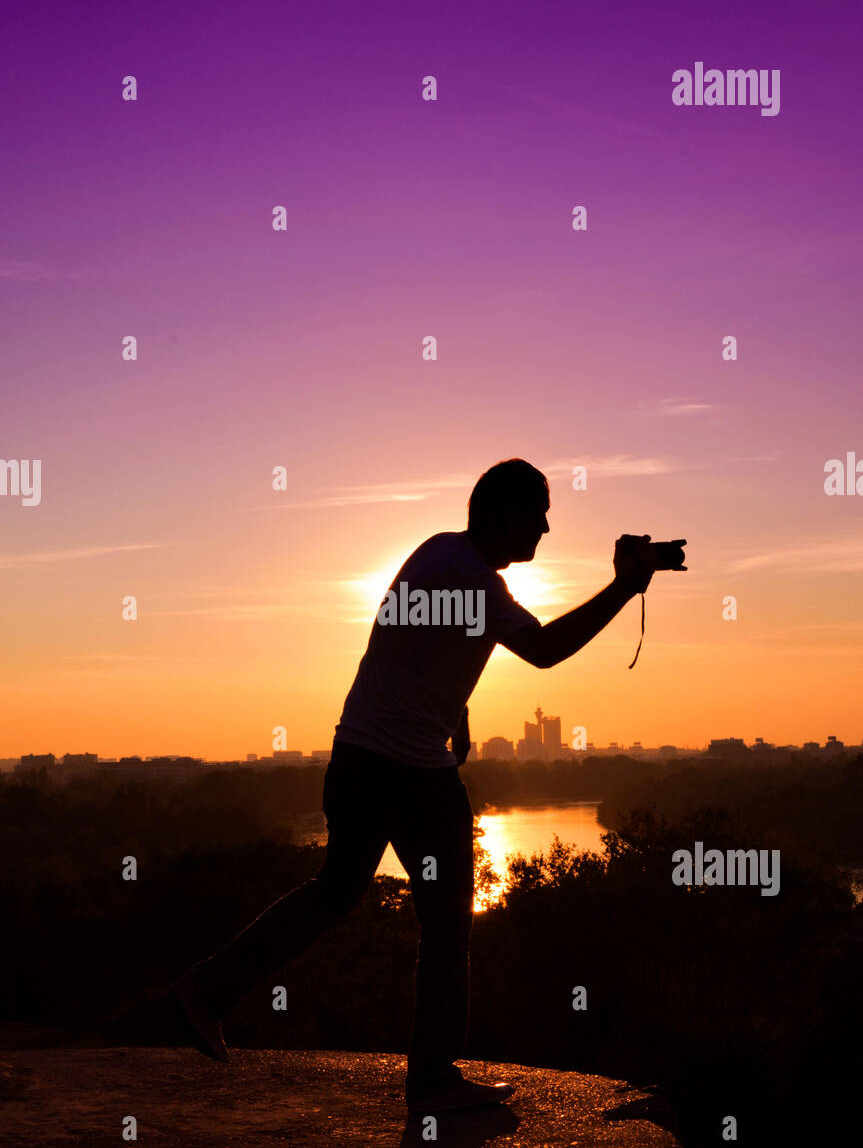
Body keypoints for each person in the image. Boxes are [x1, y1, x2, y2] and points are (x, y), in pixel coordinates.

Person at [172, 459, 657, 1113]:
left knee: (334, 891)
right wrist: (625, 586)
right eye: (537, 514)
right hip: (407, 774)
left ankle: (207, 990)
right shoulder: (472, 578)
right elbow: (543, 651)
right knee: (447, 921)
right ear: (501, 515)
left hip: (358, 759)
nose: (545, 528)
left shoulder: (440, 554)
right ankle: (431, 1081)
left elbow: (420, 643)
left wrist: (455, 715)